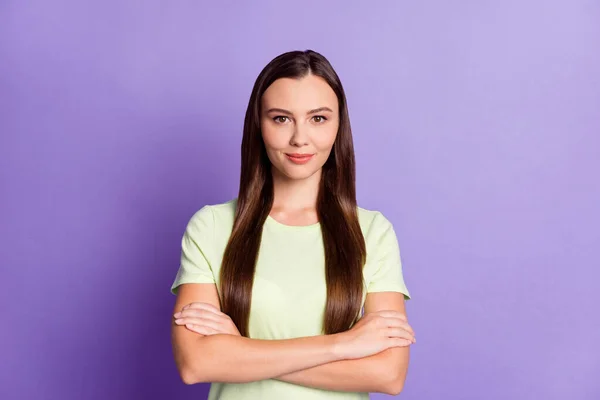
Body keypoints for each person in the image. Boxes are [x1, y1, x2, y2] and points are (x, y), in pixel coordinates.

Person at [169, 49, 415, 400]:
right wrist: (344, 345)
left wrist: (240, 350)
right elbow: (196, 363)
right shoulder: (211, 227)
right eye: (281, 118)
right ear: (259, 124)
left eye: (318, 119)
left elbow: (388, 374)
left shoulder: (373, 233)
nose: (300, 138)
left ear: (338, 125)